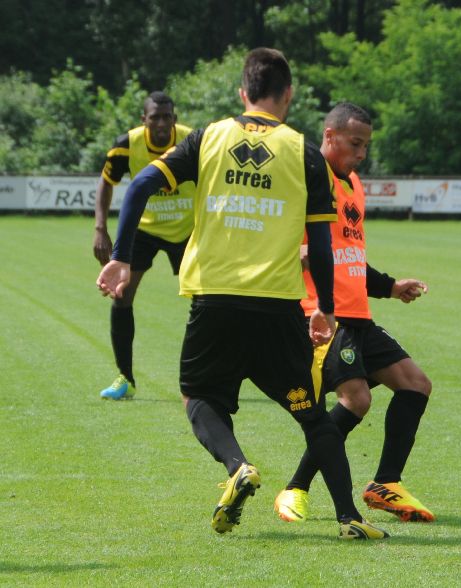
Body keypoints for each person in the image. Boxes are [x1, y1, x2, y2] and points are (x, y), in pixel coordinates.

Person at [96, 48, 387, 540]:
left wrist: (122, 255)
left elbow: (142, 182)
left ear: (242, 92)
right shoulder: (304, 152)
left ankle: (237, 466)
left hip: (215, 302)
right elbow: (320, 241)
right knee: (313, 415)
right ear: (288, 95)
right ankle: (349, 519)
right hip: (277, 308)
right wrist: (327, 311)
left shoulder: (209, 136)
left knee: (199, 398)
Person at [273, 102, 435, 524]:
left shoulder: (354, 184)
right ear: (329, 136)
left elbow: (349, 257)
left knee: (416, 385)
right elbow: (283, 240)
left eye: (366, 145)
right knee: (356, 398)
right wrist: (299, 252)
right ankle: (295, 488)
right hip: (324, 315)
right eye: (355, 143)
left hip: (357, 314)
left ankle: (386, 483)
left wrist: (389, 287)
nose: (361, 153)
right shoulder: (309, 178)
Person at [93, 91, 195, 400]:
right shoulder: (127, 145)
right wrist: (100, 228)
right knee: (121, 295)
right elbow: (106, 182)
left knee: (210, 300)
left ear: (175, 119)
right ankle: (125, 378)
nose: (162, 123)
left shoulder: (193, 141)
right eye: (155, 117)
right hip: (146, 228)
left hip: (188, 228)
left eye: (167, 117)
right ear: (144, 120)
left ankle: (212, 376)